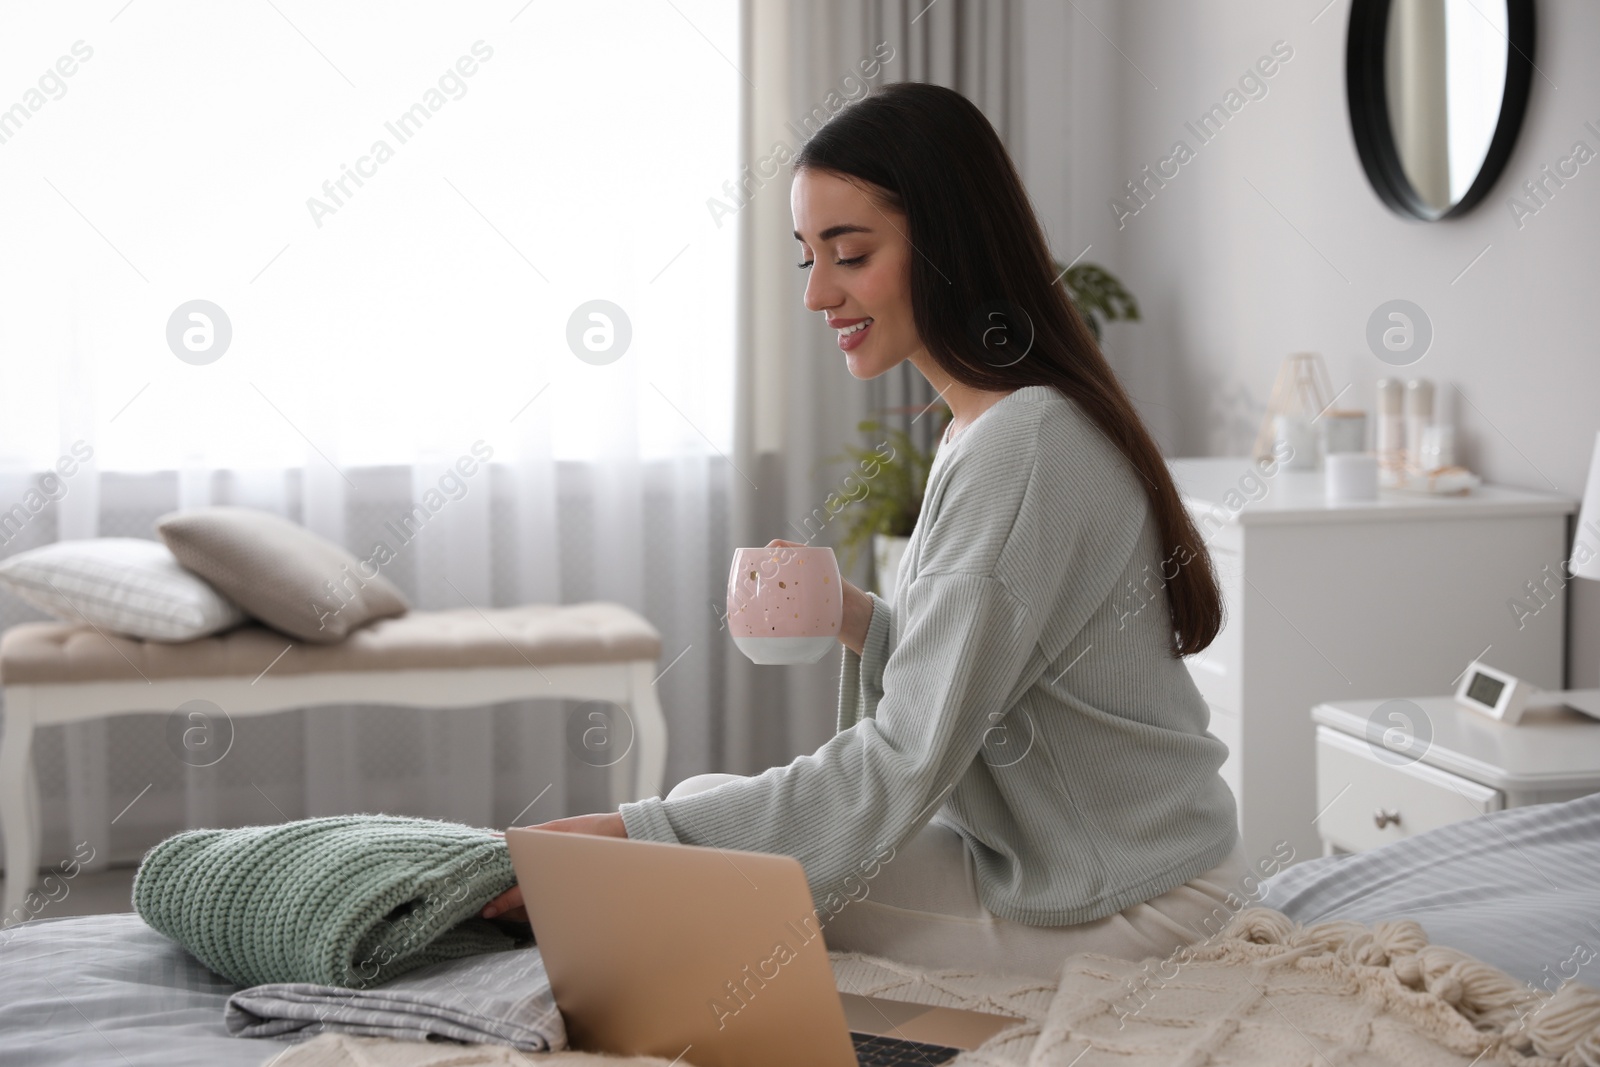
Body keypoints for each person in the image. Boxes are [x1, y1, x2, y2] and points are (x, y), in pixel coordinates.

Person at [483, 81, 1249, 980]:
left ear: (947, 243)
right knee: (697, 813)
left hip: (1134, 902)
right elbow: (985, 678)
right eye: (808, 257)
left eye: (848, 255)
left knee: (683, 857)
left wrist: (628, 832)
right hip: (1099, 866)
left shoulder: (1024, 444)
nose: (818, 295)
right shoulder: (992, 427)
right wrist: (857, 617)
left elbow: (907, 753)